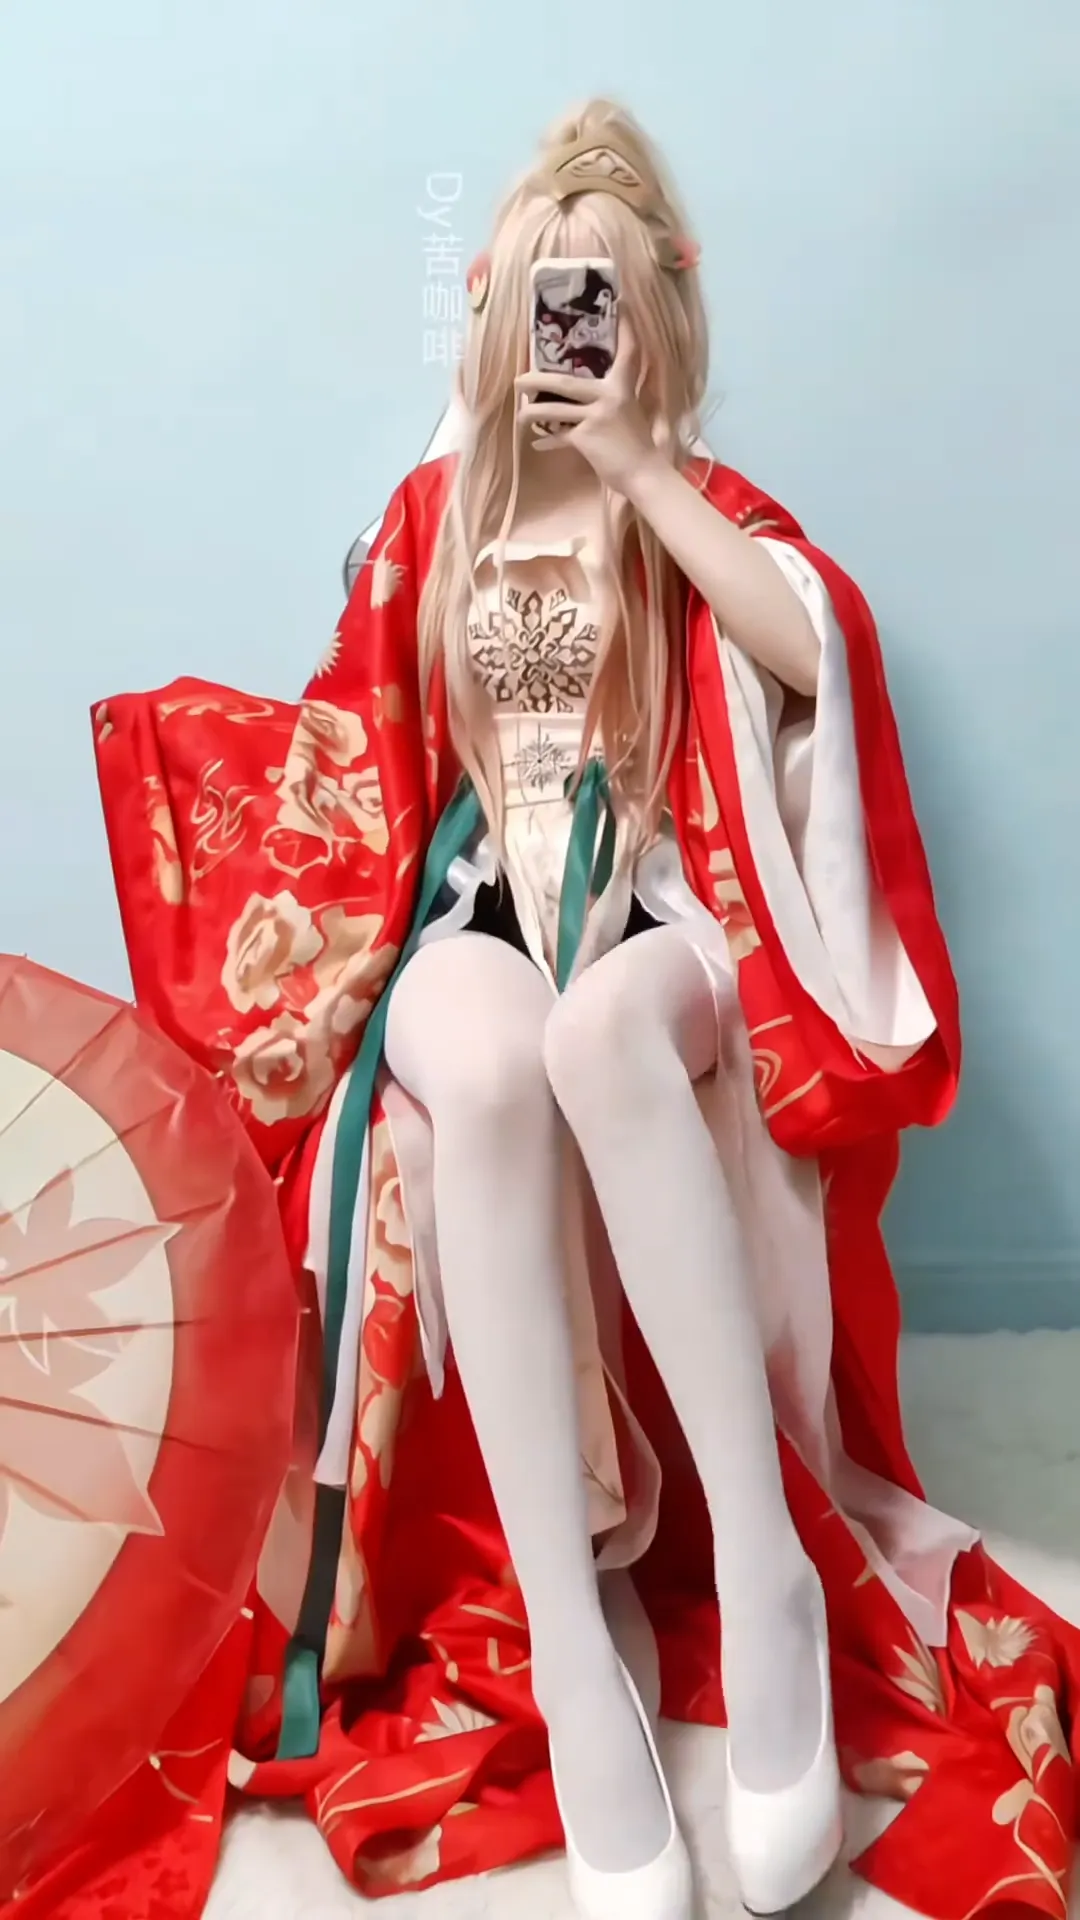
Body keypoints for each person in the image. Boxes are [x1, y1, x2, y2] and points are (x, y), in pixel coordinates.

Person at [70, 96, 1080, 1920]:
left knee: (602, 1030)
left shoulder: (682, 497)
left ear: (654, 309)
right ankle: (564, 1630)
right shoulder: (433, 512)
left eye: (600, 297)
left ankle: (766, 1572)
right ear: (493, 302)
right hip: (482, 912)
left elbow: (813, 657)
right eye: (545, 293)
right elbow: (356, 767)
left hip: (667, 912)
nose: (571, 330)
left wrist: (636, 464)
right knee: (480, 1054)